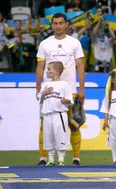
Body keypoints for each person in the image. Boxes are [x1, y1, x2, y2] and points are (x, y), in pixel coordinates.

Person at [35, 13, 85, 166]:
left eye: (61, 23)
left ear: (66, 24)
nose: (58, 26)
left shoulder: (75, 43)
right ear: (51, 25)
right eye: (55, 23)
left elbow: (81, 66)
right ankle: (43, 158)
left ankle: (76, 158)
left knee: (72, 123)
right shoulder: (44, 44)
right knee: (45, 124)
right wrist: (38, 91)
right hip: (49, 91)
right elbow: (39, 68)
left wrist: (81, 89)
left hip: (69, 90)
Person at [37, 61, 72, 166]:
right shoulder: (46, 84)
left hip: (59, 114)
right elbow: (39, 97)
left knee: (60, 136)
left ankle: (61, 159)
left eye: (49, 69)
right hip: (47, 115)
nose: (47, 71)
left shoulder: (64, 84)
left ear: (56, 71)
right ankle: (51, 159)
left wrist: (66, 101)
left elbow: (70, 99)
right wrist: (44, 93)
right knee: (48, 137)